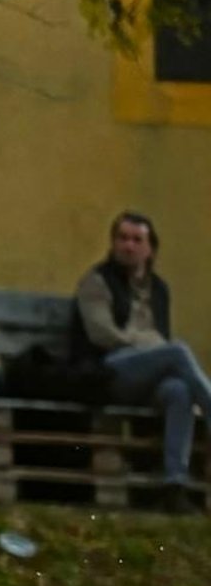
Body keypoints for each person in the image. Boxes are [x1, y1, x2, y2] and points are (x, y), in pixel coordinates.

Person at [74, 211, 211, 513]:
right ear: (113, 243)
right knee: (176, 352)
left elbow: (159, 340)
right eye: (122, 238)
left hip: (147, 378)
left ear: (150, 249)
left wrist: (154, 347)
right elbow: (102, 335)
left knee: (179, 391)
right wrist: (148, 344)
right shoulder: (96, 282)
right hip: (108, 372)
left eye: (137, 240)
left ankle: (175, 486)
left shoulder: (159, 290)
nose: (129, 246)